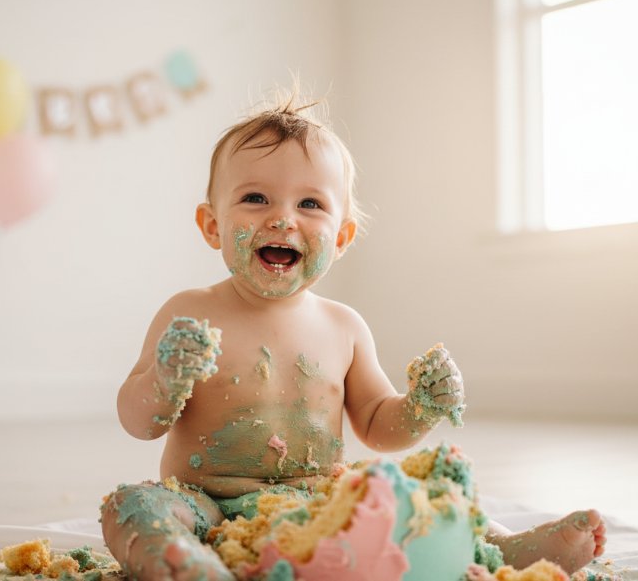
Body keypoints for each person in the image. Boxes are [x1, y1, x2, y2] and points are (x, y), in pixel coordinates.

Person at [100, 90, 606, 581]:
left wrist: (419, 408)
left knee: (430, 496)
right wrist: (166, 379)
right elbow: (137, 421)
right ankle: (188, 564)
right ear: (212, 225)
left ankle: (501, 545)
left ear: (340, 238)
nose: (282, 218)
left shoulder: (343, 327)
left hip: (325, 506)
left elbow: (376, 425)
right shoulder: (189, 314)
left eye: (311, 204)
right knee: (134, 505)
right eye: (255, 198)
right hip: (206, 507)